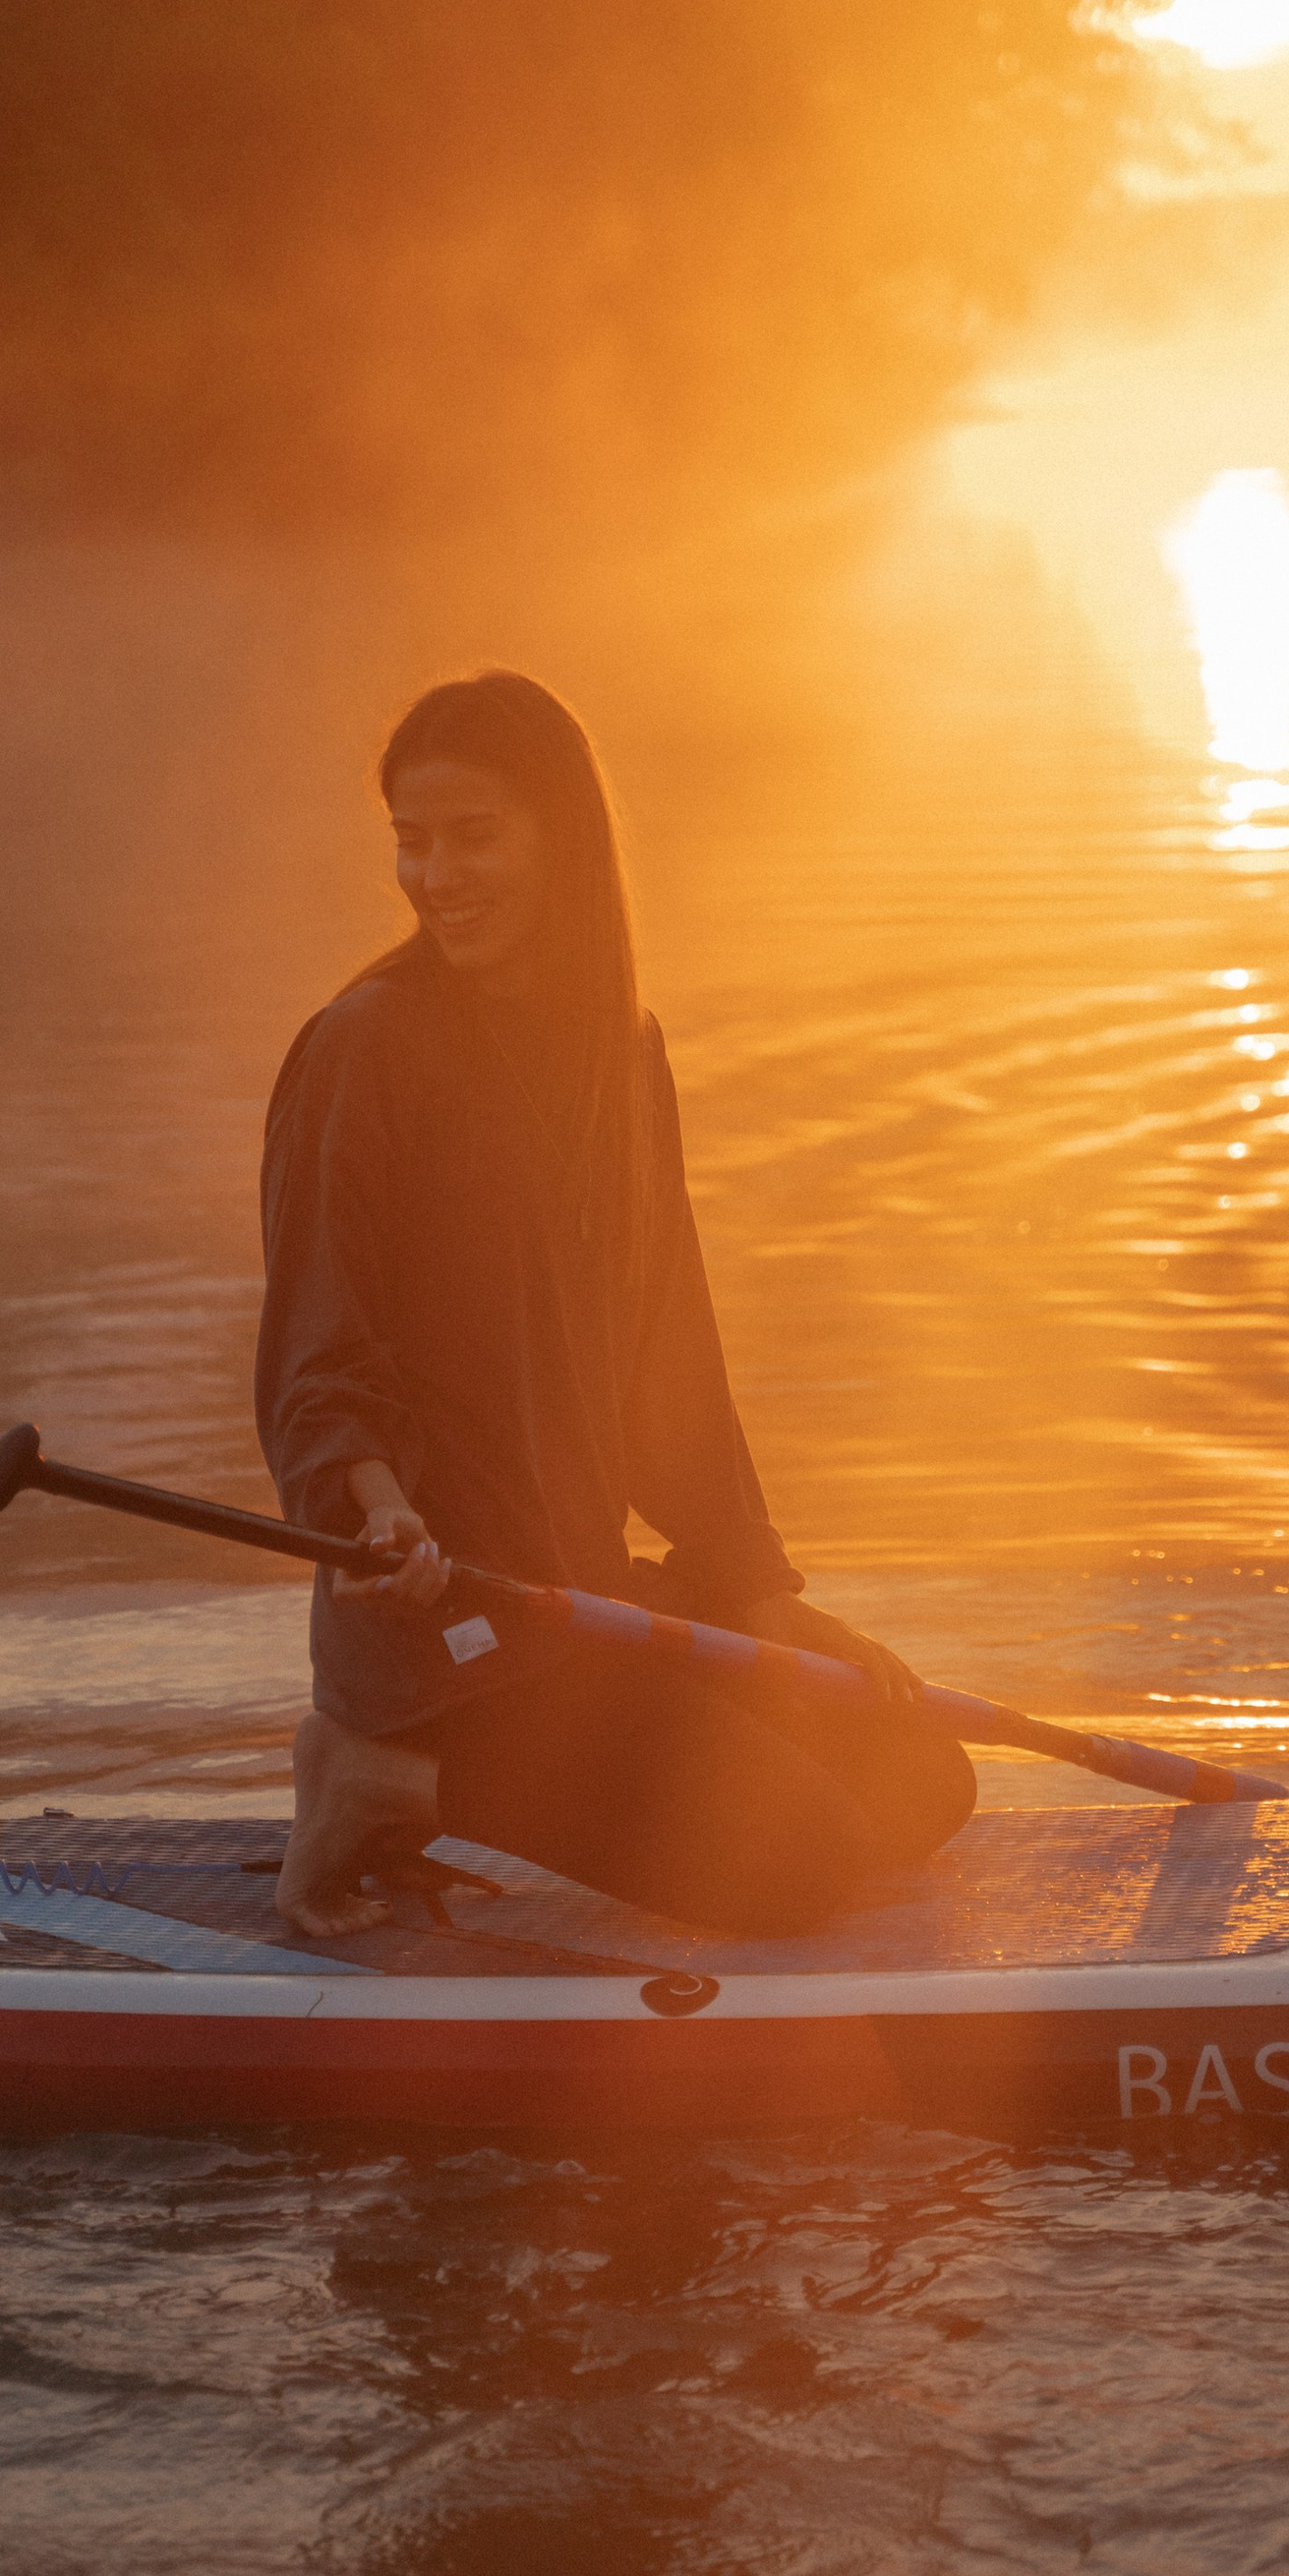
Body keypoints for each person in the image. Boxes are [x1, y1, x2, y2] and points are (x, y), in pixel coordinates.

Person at [255, 670, 974, 1940]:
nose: (435, 875)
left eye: (473, 836)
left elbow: (671, 1365)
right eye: (411, 844)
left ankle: (579, 1757)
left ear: (562, 836)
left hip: (582, 1607)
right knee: (799, 1869)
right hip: (451, 1640)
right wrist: (373, 1511)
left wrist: (750, 1592)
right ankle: (377, 1777)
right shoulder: (362, 1049)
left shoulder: (620, 1051)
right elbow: (321, 1349)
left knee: (917, 1776)